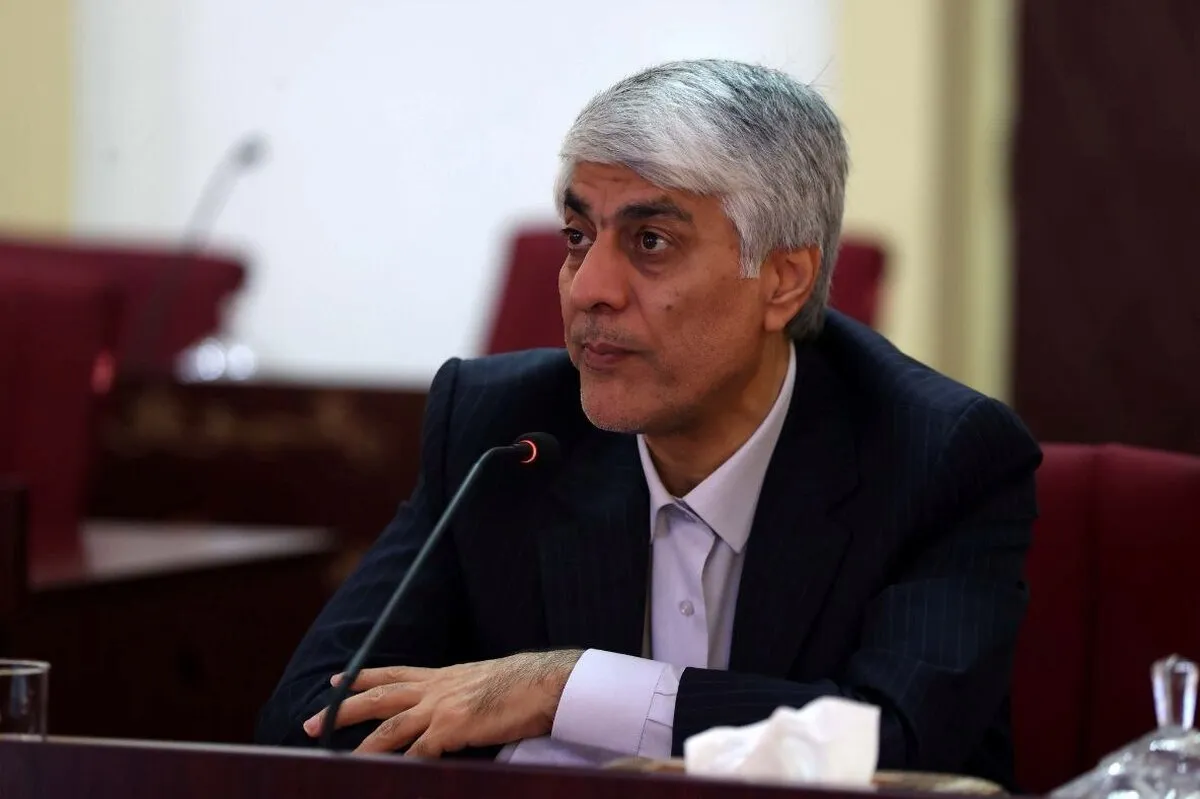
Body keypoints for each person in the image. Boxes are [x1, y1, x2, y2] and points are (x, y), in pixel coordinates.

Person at [256, 59, 1041, 789]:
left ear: (783, 279)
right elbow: (308, 724)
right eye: (577, 237)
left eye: (651, 241)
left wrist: (564, 688)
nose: (587, 288)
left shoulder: (937, 455)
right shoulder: (502, 433)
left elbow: (894, 744)